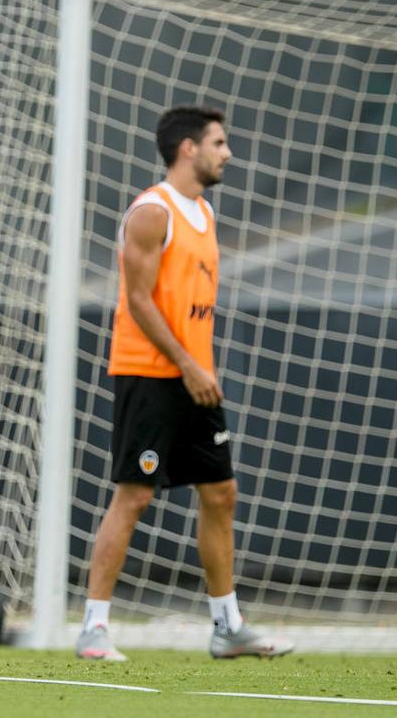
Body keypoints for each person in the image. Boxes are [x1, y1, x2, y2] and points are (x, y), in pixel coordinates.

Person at [75, 106, 294, 662]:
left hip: (196, 379)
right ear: (188, 149)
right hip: (149, 374)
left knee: (221, 493)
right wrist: (189, 365)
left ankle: (227, 625)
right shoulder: (152, 212)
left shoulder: (205, 213)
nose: (228, 153)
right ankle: (94, 628)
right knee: (135, 495)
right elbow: (138, 302)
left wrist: (201, 368)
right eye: (219, 143)